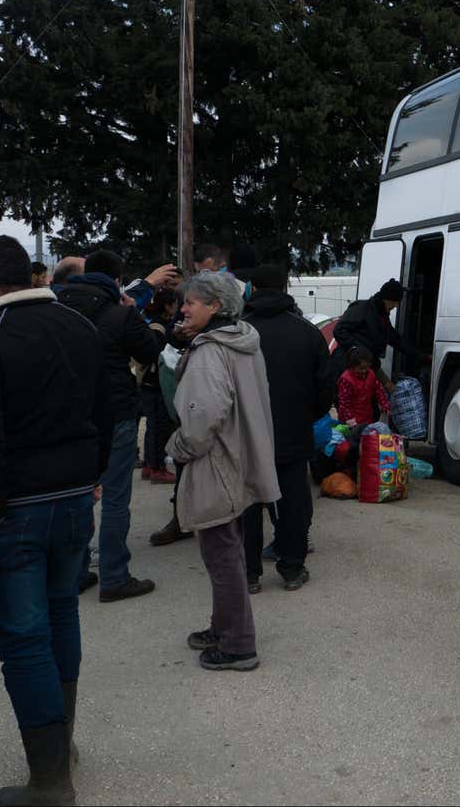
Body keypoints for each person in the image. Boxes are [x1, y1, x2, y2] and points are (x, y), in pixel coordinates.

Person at [0, 234, 113, 805]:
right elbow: (106, 409)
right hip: (73, 497)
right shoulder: (78, 325)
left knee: (23, 641)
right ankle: (59, 745)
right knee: (60, 616)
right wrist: (92, 475)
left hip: (15, 508)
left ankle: (49, 780)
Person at [166, 271, 278, 671]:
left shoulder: (212, 350)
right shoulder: (242, 340)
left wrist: (176, 447)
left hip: (217, 462)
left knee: (222, 554)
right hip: (239, 456)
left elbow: (201, 421)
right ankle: (224, 627)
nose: (183, 308)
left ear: (215, 305)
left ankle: (237, 644)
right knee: (226, 549)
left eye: (191, 302)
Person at [56, 250, 167, 602]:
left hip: (68, 413)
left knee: (76, 493)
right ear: (118, 280)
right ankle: (115, 576)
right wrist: (151, 323)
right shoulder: (120, 313)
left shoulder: (57, 307)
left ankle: (74, 573)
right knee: (116, 497)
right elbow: (150, 350)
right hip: (116, 410)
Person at [242, 264, 333, 593]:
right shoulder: (307, 332)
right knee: (293, 502)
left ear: (252, 288)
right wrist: (306, 415)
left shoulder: (239, 330)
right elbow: (325, 387)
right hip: (294, 432)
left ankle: (249, 573)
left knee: (247, 504)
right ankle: (292, 569)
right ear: (284, 287)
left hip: (247, 435)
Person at [334, 278, 427, 384]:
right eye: (394, 302)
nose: (396, 306)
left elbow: (398, 341)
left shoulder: (383, 318)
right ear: (385, 299)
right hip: (346, 368)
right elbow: (339, 330)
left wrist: (422, 356)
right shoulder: (362, 308)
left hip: (365, 368)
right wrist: (359, 350)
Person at [138, 289, 177, 485]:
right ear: (168, 306)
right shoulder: (159, 328)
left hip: (148, 382)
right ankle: (157, 467)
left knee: (153, 426)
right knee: (160, 425)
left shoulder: (152, 323)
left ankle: (148, 464)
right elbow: (160, 356)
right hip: (156, 382)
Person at [335, 346, 388, 426]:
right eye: (361, 368)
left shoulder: (371, 374)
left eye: (367, 368)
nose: (364, 371)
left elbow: (378, 390)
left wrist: (384, 404)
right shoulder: (346, 380)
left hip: (367, 417)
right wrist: (351, 422)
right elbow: (344, 403)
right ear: (352, 365)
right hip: (350, 421)